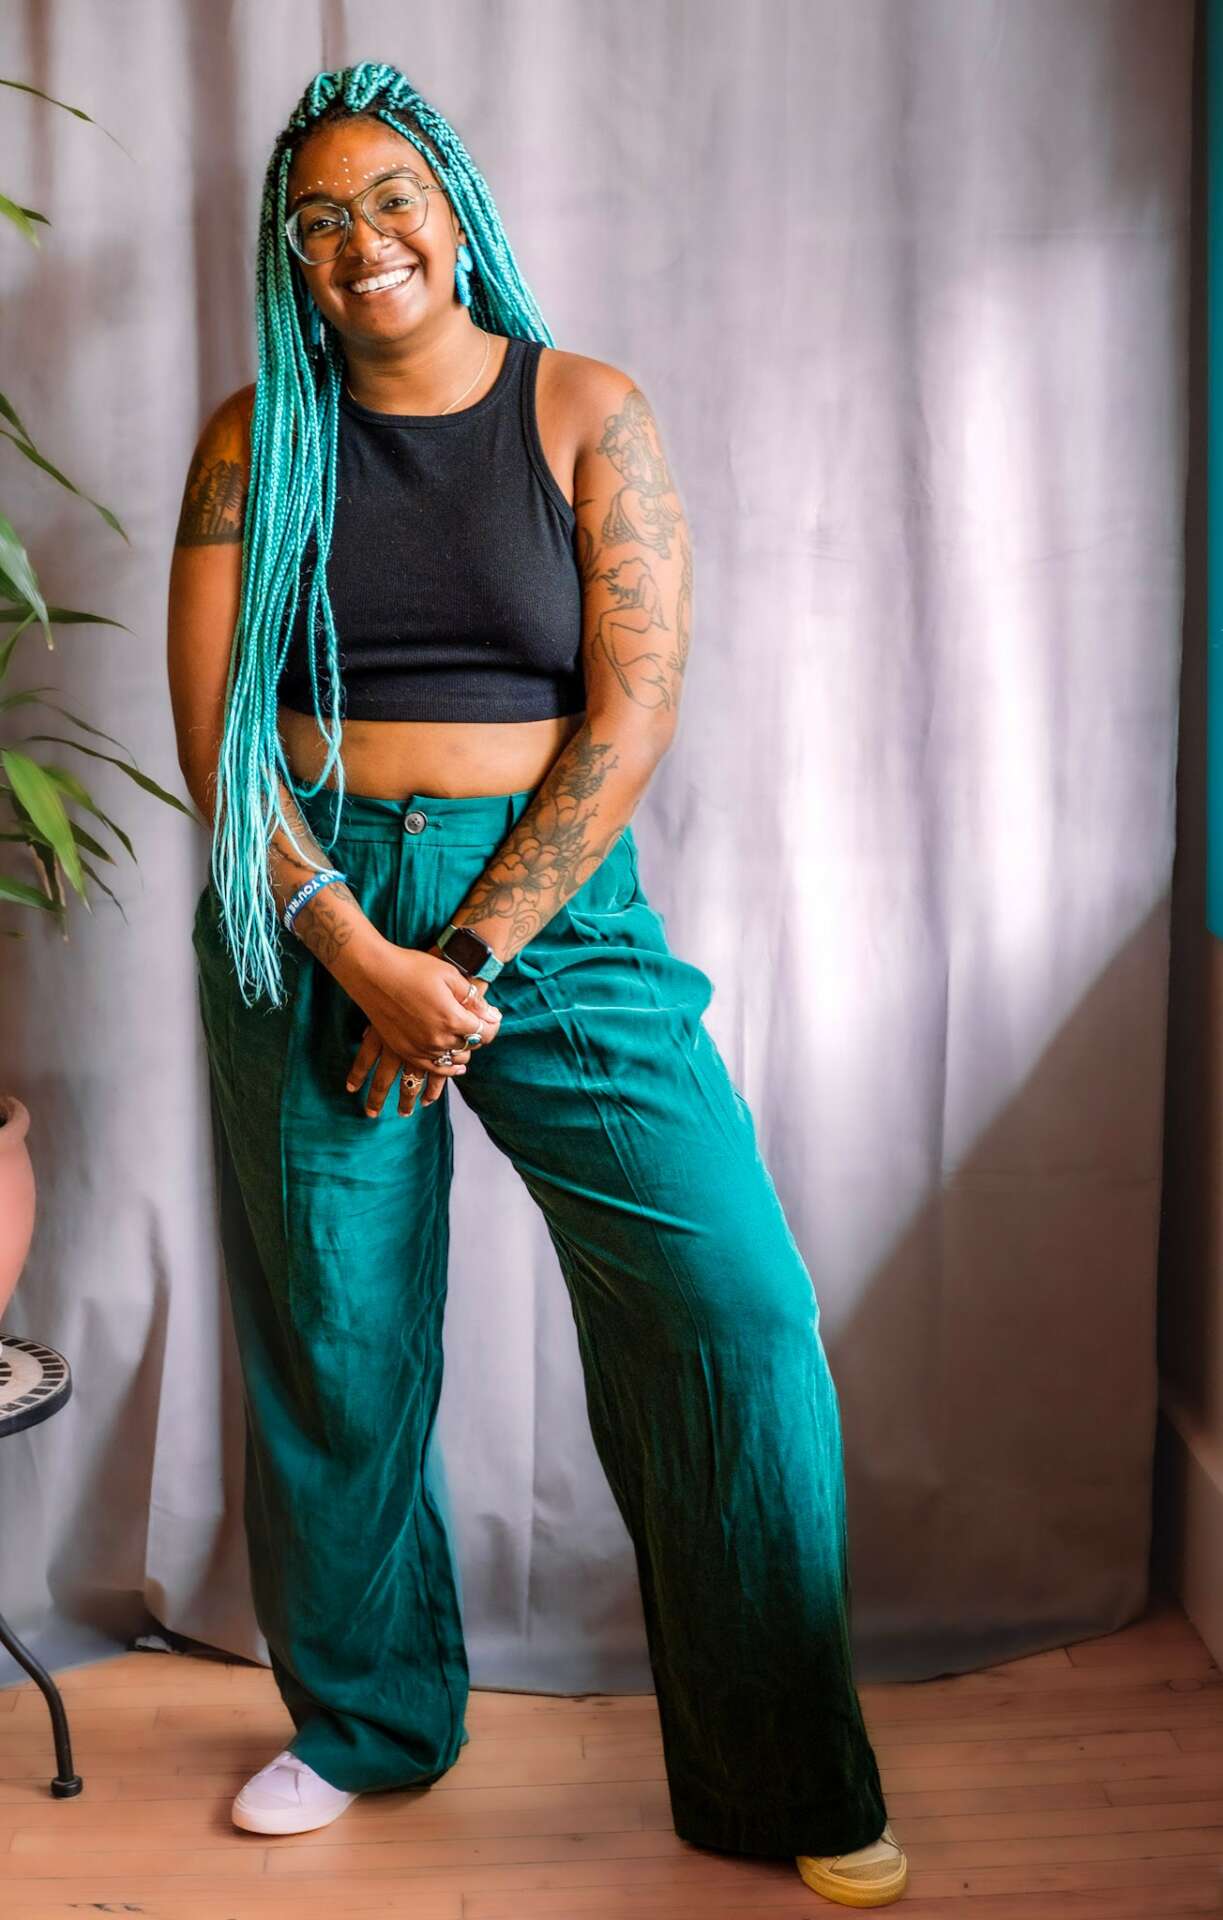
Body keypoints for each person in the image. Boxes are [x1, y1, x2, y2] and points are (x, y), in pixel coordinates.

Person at [165, 58, 907, 1909]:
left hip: (550, 910)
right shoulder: (255, 441)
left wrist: (467, 957)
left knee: (729, 1304)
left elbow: (635, 710)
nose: (361, 239)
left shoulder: (585, 409)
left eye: (389, 198)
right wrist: (357, 950)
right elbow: (220, 737)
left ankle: (781, 1768)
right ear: (288, 259)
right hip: (311, 900)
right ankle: (368, 1723)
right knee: (336, 1336)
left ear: (457, 208)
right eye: (318, 221)